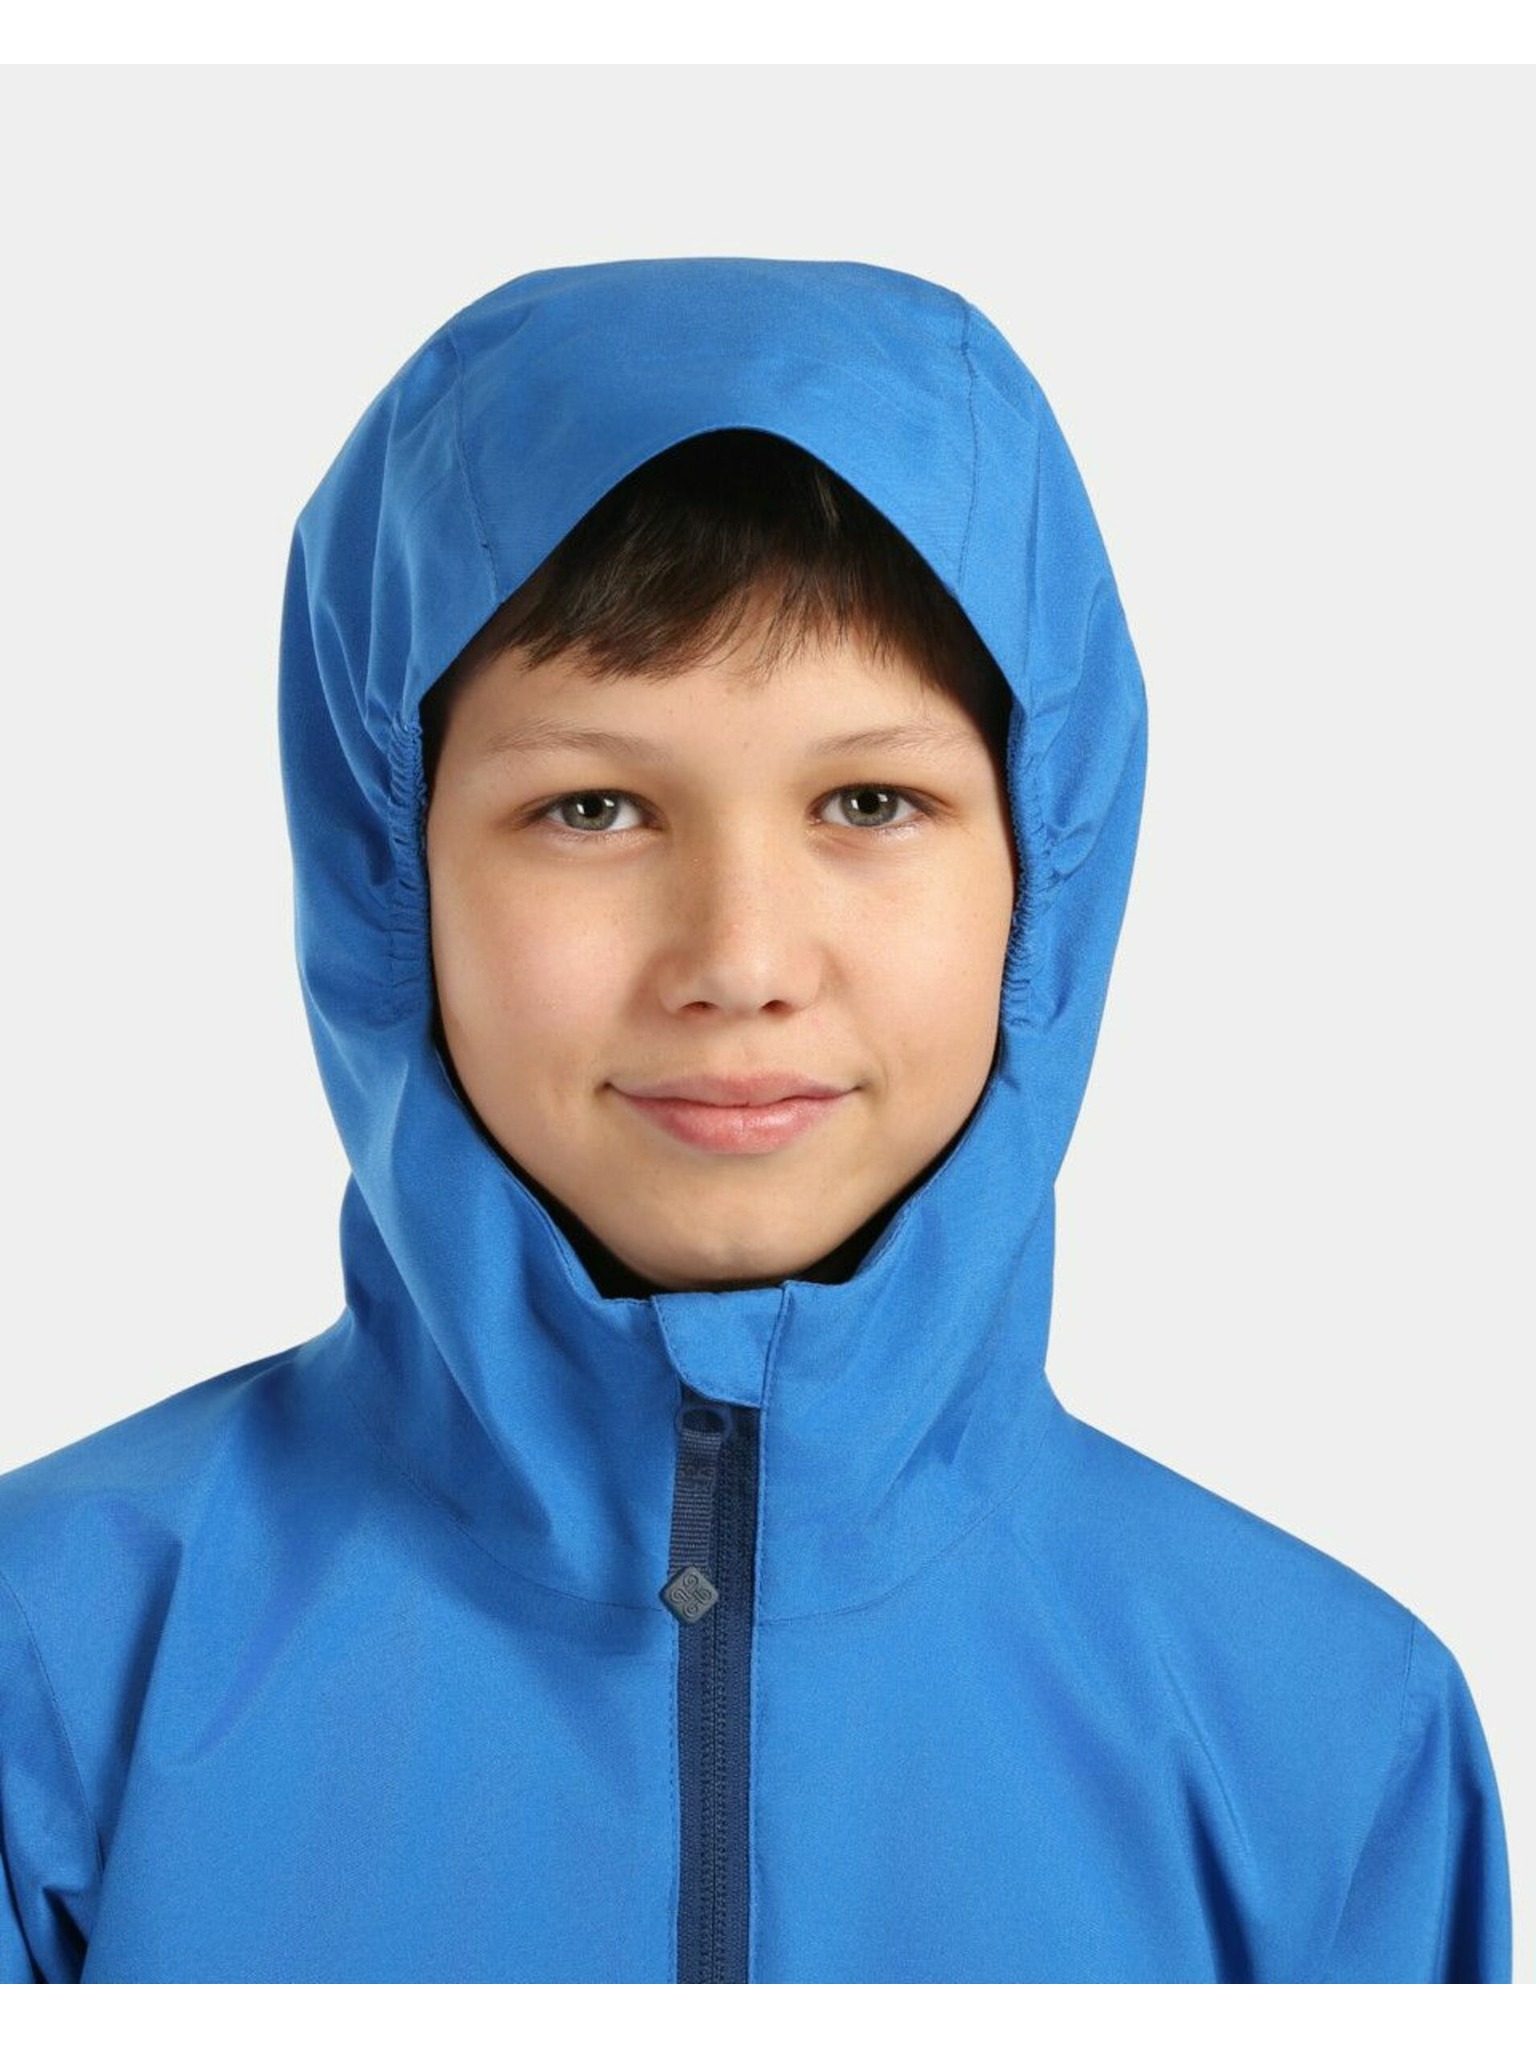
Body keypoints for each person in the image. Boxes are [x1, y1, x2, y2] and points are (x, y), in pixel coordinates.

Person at [0, 256, 1512, 1983]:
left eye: (870, 800)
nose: (739, 961)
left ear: (1048, 867)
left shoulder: (1326, 1738)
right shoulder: (55, 1673)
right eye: (592, 808)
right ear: (382, 867)